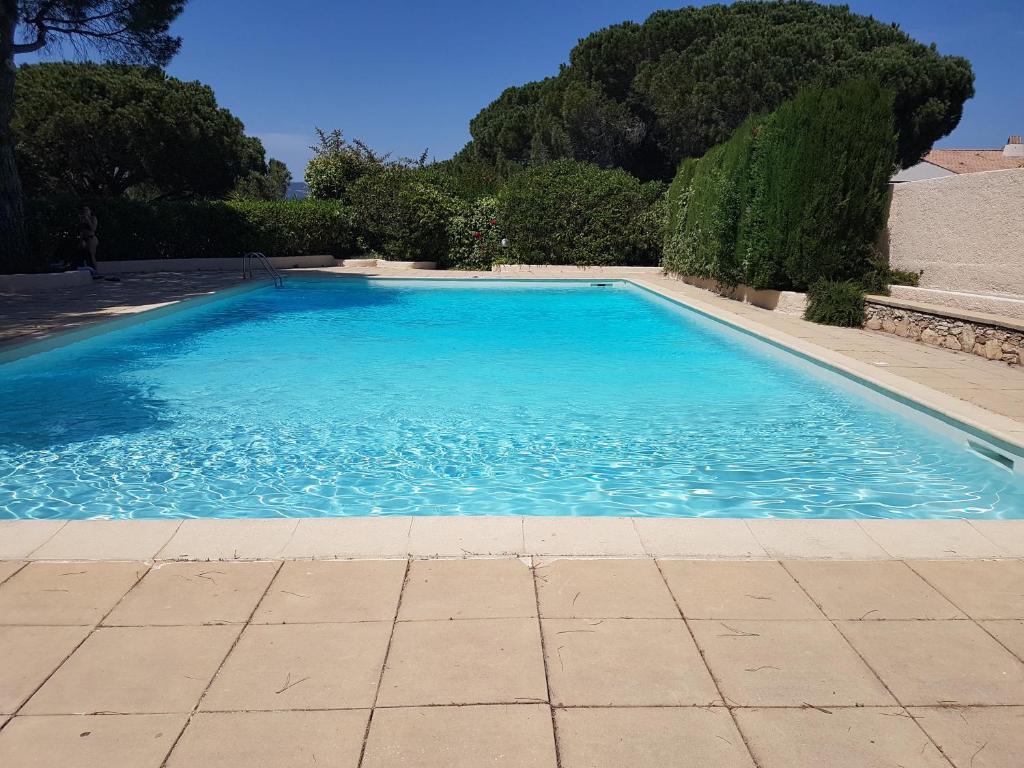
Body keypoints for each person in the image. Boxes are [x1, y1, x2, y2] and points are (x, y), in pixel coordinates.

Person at [77, 206, 100, 276]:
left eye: (87, 210)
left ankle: (96, 272)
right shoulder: (82, 219)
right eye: (84, 210)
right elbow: (81, 230)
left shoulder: (93, 218)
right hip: (84, 238)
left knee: (91, 254)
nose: (85, 211)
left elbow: (93, 228)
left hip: (91, 238)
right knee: (82, 253)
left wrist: (88, 219)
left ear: (90, 211)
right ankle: (86, 269)